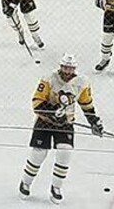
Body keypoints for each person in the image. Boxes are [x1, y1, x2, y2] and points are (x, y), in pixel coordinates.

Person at [19, 54, 103, 204]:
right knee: (39, 153)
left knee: (65, 151)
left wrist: (93, 121)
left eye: (70, 68)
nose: (67, 71)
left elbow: (86, 104)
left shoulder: (82, 83)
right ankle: (26, 182)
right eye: (65, 67)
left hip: (66, 123)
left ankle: (56, 187)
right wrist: (52, 113)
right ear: (60, 66)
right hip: (44, 122)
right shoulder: (48, 79)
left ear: (74, 69)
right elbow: (37, 102)